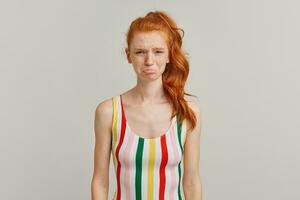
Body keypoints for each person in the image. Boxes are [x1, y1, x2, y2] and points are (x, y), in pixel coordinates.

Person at [91, 10, 202, 200]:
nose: (149, 61)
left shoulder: (187, 112)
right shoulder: (109, 112)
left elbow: (191, 183)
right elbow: (100, 181)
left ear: (169, 55)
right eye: (140, 52)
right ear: (128, 56)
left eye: (158, 52)